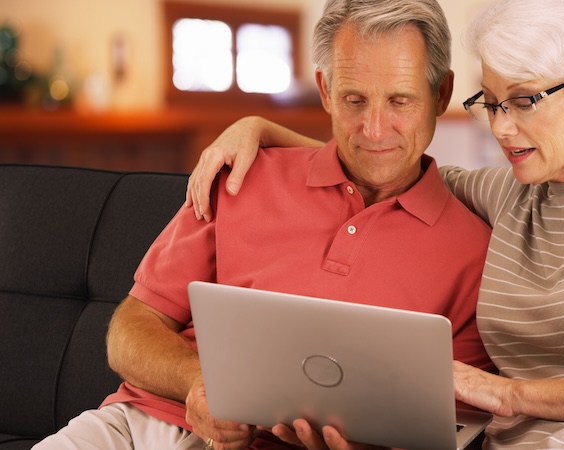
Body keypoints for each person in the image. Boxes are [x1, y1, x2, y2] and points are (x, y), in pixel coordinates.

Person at [185, 0, 564, 448]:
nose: (500, 128)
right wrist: (261, 129)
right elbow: (386, 156)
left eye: (524, 102)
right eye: (493, 102)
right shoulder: (510, 193)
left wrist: (509, 395)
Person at [32, 1, 496, 449]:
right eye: (354, 100)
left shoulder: (474, 254)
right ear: (325, 90)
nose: (374, 129)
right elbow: (130, 330)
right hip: (140, 425)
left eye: (400, 101)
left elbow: (448, 424)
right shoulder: (243, 176)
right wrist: (202, 384)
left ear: (441, 94)